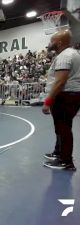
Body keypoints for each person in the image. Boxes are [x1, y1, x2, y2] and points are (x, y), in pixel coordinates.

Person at [42, 30, 80, 171]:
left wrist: (47, 102)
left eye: (52, 41)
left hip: (65, 96)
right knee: (62, 127)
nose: (49, 44)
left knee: (63, 129)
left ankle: (66, 161)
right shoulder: (71, 53)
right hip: (70, 95)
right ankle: (60, 153)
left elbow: (59, 82)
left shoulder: (65, 56)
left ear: (59, 42)